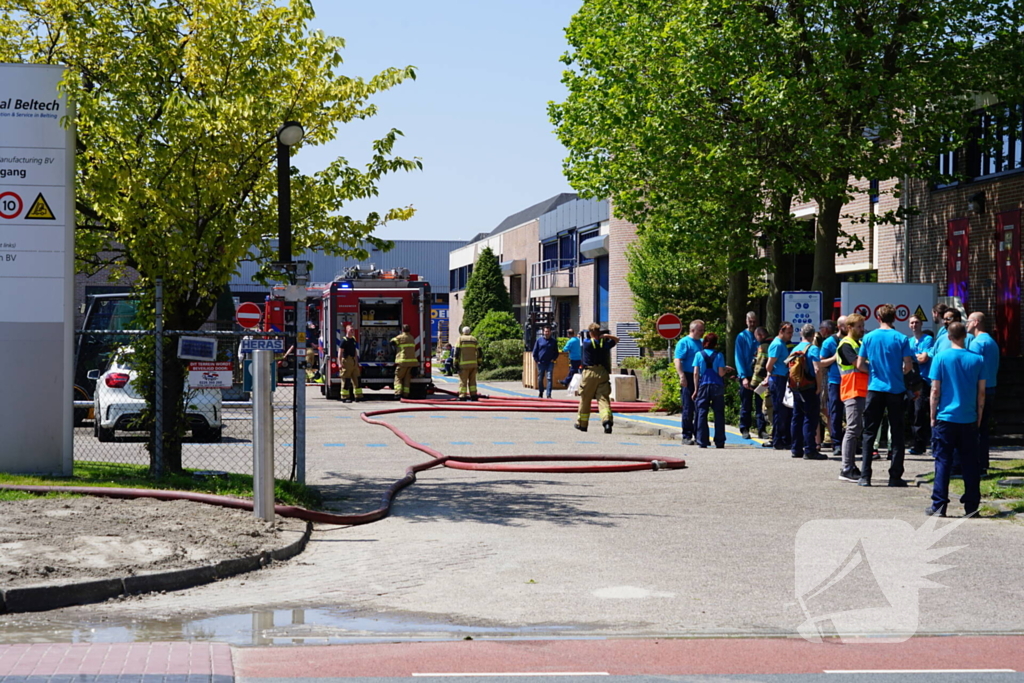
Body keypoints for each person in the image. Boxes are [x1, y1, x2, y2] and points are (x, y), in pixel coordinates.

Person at [927, 321, 986, 517]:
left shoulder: (940, 358)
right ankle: (971, 506)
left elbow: (935, 390)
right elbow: (982, 393)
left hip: (946, 417)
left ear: (949, 337)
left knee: (943, 461)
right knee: (970, 463)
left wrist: (932, 416)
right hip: (968, 417)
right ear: (965, 336)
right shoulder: (978, 360)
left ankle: (939, 505)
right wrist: (979, 416)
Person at [856, 304, 914, 487]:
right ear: (895, 318)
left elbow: (859, 365)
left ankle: (865, 475)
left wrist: (873, 371)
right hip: (895, 389)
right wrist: (898, 373)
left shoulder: (869, 337)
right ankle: (895, 476)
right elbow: (908, 365)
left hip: (875, 388)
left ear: (878, 318)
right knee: (897, 433)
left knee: (869, 432)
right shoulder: (902, 338)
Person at [837, 314, 868, 482]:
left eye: (862, 326)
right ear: (849, 328)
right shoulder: (845, 345)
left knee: (856, 429)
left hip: (861, 390)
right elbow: (859, 365)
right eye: (858, 326)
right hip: (852, 391)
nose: (862, 329)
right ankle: (846, 467)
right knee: (852, 429)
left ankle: (850, 465)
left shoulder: (858, 343)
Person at [967, 312, 999, 472]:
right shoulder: (991, 342)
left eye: (969, 321)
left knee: (975, 429)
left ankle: (976, 464)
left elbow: (972, 369)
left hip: (979, 391)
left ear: (976, 322)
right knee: (984, 429)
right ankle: (983, 463)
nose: (966, 324)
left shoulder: (976, 343)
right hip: (991, 387)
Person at [789, 323, 826, 460]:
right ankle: (810, 449)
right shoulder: (813, 349)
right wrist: (819, 386)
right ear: (812, 335)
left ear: (801, 334)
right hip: (809, 386)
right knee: (810, 417)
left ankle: (796, 448)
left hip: (796, 387)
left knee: (797, 416)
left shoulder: (795, 348)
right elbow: (817, 369)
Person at [575, 323, 618, 434]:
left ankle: (582, 424)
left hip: (589, 372)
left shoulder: (586, 343)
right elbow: (617, 339)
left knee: (585, 399)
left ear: (590, 333)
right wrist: (606, 336)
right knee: (603, 398)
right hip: (602, 372)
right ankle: (607, 421)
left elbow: (583, 339)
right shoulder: (604, 344)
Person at [693, 332, 731, 448]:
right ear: (715, 344)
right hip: (717, 386)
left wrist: (696, 390)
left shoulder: (699, 355)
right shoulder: (719, 355)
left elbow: (695, 373)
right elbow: (720, 373)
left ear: (705, 342)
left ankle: (702, 440)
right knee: (719, 414)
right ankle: (719, 441)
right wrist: (726, 370)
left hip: (703, 386)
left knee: (702, 413)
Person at [816, 318, 845, 456]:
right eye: (847, 325)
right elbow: (820, 362)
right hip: (835, 381)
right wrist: (834, 357)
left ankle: (852, 443)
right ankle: (837, 443)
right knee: (835, 412)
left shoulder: (855, 340)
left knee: (853, 414)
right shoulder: (829, 343)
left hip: (851, 380)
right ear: (839, 327)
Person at [763, 322, 795, 450]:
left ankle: (782, 438)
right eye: (788, 333)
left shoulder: (782, 344)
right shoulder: (777, 345)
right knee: (779, 410)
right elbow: (769, 365)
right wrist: (771, 375)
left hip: (782, 378)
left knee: (784, 410)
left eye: (791, 332)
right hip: (777, 379)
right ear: (781, 331)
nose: (790, 335)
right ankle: (777, 439)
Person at [674, 320, 705, 445]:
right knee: (688, 406)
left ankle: (699, 434)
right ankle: (686, 435)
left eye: (703, 330)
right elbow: (678, 360)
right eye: (700, 330)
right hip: (688, 375)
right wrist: (682, 376)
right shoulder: (684, 343)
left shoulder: (702, 343)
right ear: (692, 330)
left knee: (700, 407)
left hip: (701, 377)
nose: (702, 333)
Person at [735, 311, 765, 440]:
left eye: (754, 321)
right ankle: (744, 428)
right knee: (746, 404)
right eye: (750, 321)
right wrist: (743, 377)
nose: (752, 324)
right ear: (746, 321)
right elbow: (738, 357)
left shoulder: (760, 336)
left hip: (759, 376)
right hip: (747, 375)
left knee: (761, 404)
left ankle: (761, 429)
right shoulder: (741, 337)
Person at [908, 316, 934, 454]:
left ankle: (923, 444)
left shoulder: (928, 339)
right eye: (911, 322)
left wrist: (913, 358)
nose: (914, 325)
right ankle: (917, 444)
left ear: (921, 324)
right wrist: (916, 357)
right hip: (911, 381)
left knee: (920, 412)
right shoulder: (909, 341)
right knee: (913, 412)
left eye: (916, 322)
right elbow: (907, 359)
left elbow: (923, 359)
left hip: (923, 380)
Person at [749, 326, 772, 437]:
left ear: (760, 335)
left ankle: (762, 430)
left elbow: (759, 366)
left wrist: (753, 384)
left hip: (763, 383)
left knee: (762, 407)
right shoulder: (776, 343)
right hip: (776, 379)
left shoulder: (763, 347)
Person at [390, 323, 417, 398]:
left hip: (403, 361)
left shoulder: (400, 337)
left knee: (398, 377)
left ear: (402, 330)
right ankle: (405, 394)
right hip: (412, 363)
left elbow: (392, 342)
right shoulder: (411, 337)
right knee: (407, 379)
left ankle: (398, 393)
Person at [455, 326, 481, 401]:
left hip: (463, 365)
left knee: (463, 381)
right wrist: (479, 362)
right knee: (473, 381)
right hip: (473, 364)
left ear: (462, 332)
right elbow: (480, 351)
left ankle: (462, 396)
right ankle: (474, 395)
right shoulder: (474, 339)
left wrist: (455, 363)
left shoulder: (460, 339)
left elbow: (456, 352)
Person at [532, 325, 559, 399]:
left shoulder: (553, 341)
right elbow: (535, 352)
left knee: (549, 378)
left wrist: (553, 359)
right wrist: (537, 360)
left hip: (550, 362)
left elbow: (556, 352)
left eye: (548, 331)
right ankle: (541, 392)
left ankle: (548, 394)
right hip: (541, 363)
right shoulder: (539, 340)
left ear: (550, 332)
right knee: (540, 378)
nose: (547, 333)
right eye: (545, 331)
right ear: (543, 332)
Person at [338, 324, 362, 402]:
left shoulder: (353, 340)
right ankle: (345, 397)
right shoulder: (344, 340)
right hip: (346, 361)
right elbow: (340, 352)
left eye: (353, 330)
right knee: (346, 379)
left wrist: (356, 361)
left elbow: (354, 351)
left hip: (353, 361)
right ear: (347, 330)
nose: (352, 331)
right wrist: (339, 363)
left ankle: (358, 396)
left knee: (357, 378)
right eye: (351, 330)